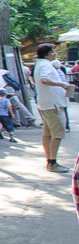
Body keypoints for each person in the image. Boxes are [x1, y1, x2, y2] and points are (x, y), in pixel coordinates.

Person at [32, 44, 70, 173]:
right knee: (58, 133)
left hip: (46, 103)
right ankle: (52, 162)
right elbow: (45, 79)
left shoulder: (40, 64)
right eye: (53, 52)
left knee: (47, 134)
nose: (55, 54)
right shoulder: (46, 65)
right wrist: (62, 84)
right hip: (53, 104)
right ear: (47, 54)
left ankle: (50, 160)